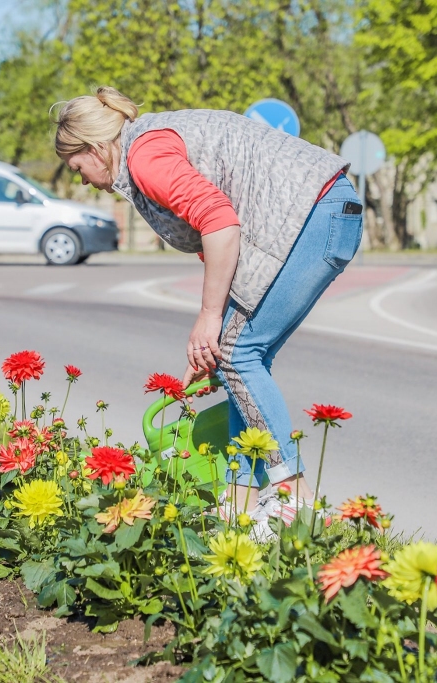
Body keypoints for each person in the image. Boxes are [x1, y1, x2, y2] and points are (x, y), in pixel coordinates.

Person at [52, 86, 363, 528]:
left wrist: (209, 318)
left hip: (315, 215)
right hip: (324, 213)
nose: (79, 177)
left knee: (239, 354)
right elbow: (216, 239)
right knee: (236, 357)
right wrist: (215, 336)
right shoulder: (150, 141)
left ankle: (295, 498)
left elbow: (219, 221)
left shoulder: (145, 155)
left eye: (75, 165)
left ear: (97, 147)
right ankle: (239, 499)